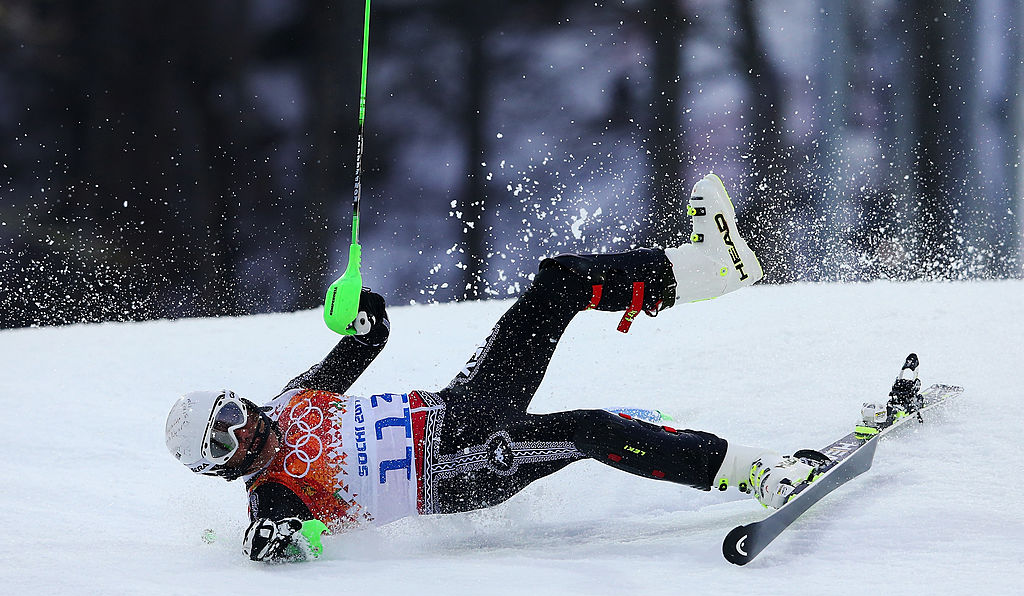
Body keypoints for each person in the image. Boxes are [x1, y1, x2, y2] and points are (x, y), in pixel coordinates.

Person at [165, 174, 823, 563]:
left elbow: (368, 341)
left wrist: (363, 315)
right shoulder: (273, 493)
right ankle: (759, 473)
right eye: (224, 439)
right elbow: (275, 540)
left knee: (556, 284)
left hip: (464, 403)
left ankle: (708, 268)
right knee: (591, 430)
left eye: (230, 410)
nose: (243, 428)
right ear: (217, 467)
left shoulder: (291, 402)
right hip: (462, 464)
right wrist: (273, 539)